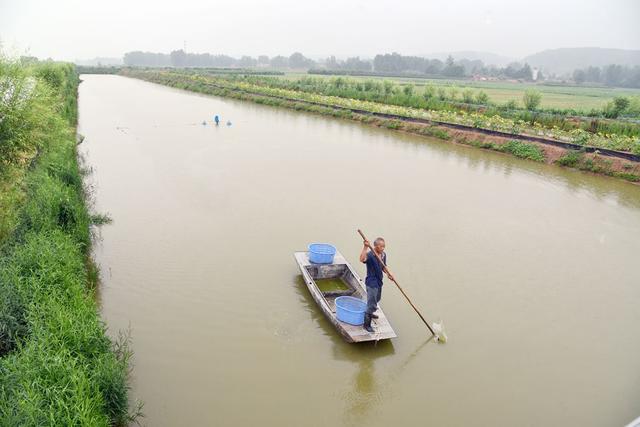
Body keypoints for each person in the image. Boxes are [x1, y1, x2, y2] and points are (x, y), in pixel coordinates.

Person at [359, 237, 393, 333]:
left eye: (384, 246)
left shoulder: (383, 255)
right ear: (375, 246)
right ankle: (366, 324)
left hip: (379, 281)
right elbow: (361, 259)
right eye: (381, 246)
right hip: (371, 282)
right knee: (372, 303)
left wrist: (389, 274)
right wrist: (365, 247)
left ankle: (371, 311)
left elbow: (383, 266)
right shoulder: (370, 255)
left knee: (377, 299)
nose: (383, 248)